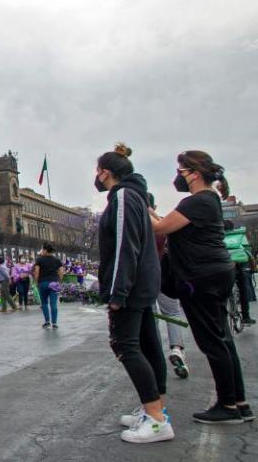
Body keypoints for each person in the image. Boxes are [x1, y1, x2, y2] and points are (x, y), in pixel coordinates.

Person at [150, 150, 250, 424]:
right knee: (223, 339)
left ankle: (227, 406)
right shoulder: (210, 199)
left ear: (194, 173)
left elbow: (160, 228)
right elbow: (168, 224)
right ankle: (239, 402)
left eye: (181, 171)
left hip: (200, 276)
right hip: (216, 272)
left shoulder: (197, 201)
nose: (178, 176)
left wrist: (140, 205)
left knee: (212, 342)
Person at [95, 143, 172, 443]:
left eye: (98, 171)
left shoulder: (124, 196)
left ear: (105, 173)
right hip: (141, 283)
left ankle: (155, 420)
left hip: (132, 285)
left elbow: (126, 245)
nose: (97, 177)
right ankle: (155, 409)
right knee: (148, 344)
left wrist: (117, 291)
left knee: (125, 346)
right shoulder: (133, 194)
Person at [149, 192, 190, 379]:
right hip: (164, 273)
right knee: (172, 313)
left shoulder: (133, 224)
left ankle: (154, 356)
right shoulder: (161, 224)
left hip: (145, 278)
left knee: (151, 318)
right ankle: (176, 348)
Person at [34, 244, 63, 329]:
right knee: (53, 304)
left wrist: (37, 282)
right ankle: (54, 323)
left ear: (46, 250)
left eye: (42, 250)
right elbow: (61, 271)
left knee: (44, 303)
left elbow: (36, 272)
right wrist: (59, 281)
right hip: (54, 283)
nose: (42, 251)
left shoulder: (39, 259)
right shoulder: (57, 260)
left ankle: (47, 321)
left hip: (43, 283)